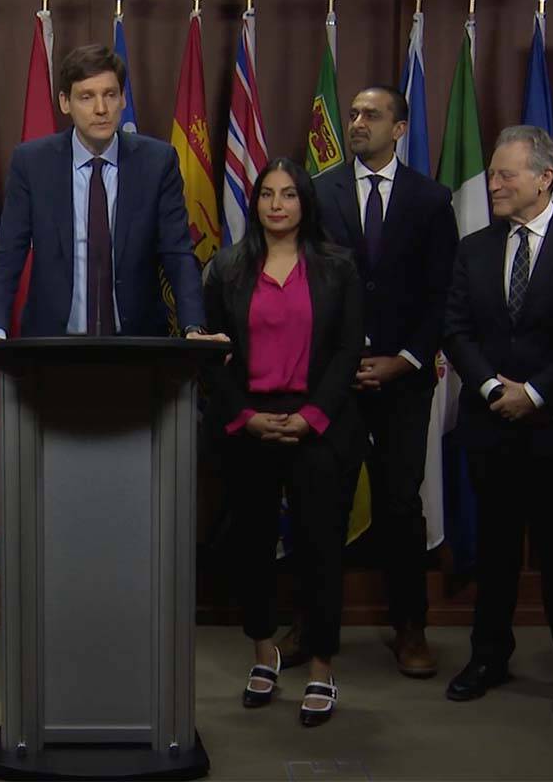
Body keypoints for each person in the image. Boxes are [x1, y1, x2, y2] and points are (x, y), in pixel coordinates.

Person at [442, 126, 553, 718]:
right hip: (489, 422)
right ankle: (488, 657)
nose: (492, 183)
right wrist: (495, 388)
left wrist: (536, 393)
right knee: (492, 553)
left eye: (504, 174)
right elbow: (457, 329)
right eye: (492, 173)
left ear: (544, 178)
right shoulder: (473, 248)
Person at [205, 158, 366, 727]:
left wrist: (314, 415)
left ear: (305, 204)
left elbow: (348, 350)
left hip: (317, 427)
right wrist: (245, 415)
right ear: (255, 204)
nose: (277, 204)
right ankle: (263, 652)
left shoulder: (337, 268)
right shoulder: (226, 268)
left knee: (320, 549)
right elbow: (213, 358)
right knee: (252, 547)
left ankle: (320, 667)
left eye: (289, 195)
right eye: (267, 194)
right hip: (251, 427)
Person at [308, 85, 458, 677]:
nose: (357, 122)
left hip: (403, 380)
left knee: (400, 505)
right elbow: (311, 291)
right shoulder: (320, 193)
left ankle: (410, 628)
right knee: (323, 505)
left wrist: (407, 359)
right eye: (353, 113)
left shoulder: (430, 199)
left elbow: (443, 294)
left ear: (400, 129)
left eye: (372, 115)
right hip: (336, 382)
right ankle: (315, 628)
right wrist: (342, 364)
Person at [0, 44, 221, 340]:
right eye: (87, 96)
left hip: (138, 347)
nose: (101, 109)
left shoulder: (157, 162)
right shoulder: (32, 163)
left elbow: (178, 253)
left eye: (110, 94)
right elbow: (8, 255)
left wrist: (193, 327)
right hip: (51, 347)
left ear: (122, 99)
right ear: (65, 102)